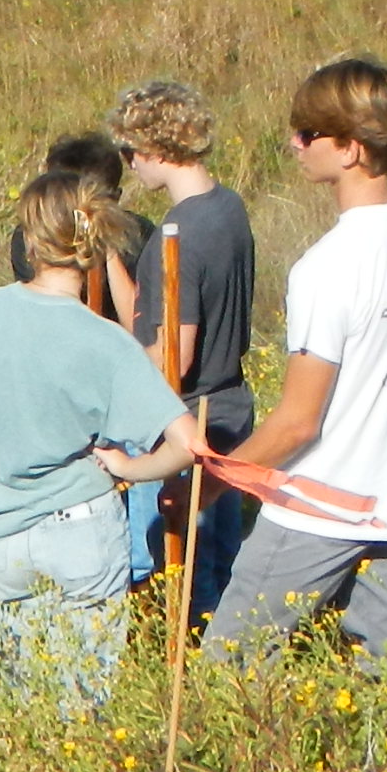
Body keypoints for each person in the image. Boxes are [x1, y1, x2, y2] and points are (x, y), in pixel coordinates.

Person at [204, 56, 387, 706]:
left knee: (229, 666)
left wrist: (205, 484)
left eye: (309, 133)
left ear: (352, 149)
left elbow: (297, 421)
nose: (295, 144)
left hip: (324, 500)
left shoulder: (330, 265)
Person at [0, 169, 207, 713]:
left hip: (4, 536)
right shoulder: (106, 341)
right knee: (81, 707)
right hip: (81, 530)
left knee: (19, 709)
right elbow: (188, 443)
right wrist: (129, 469)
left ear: (30, 240)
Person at [113, 78, 260, 625]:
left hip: (186, 422)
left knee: (181, 582)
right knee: (223, 571)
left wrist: (110, 381)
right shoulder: (229, 208)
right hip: (231, 411)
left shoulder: (178, 233)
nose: (130, 166)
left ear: (153, 149)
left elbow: (175, 355)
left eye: (130, 153)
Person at [3, 129, 142, 318]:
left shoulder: (136, 235)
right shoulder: (32, 235)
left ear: (114, 200)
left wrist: (108, 247)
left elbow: (139, 323)